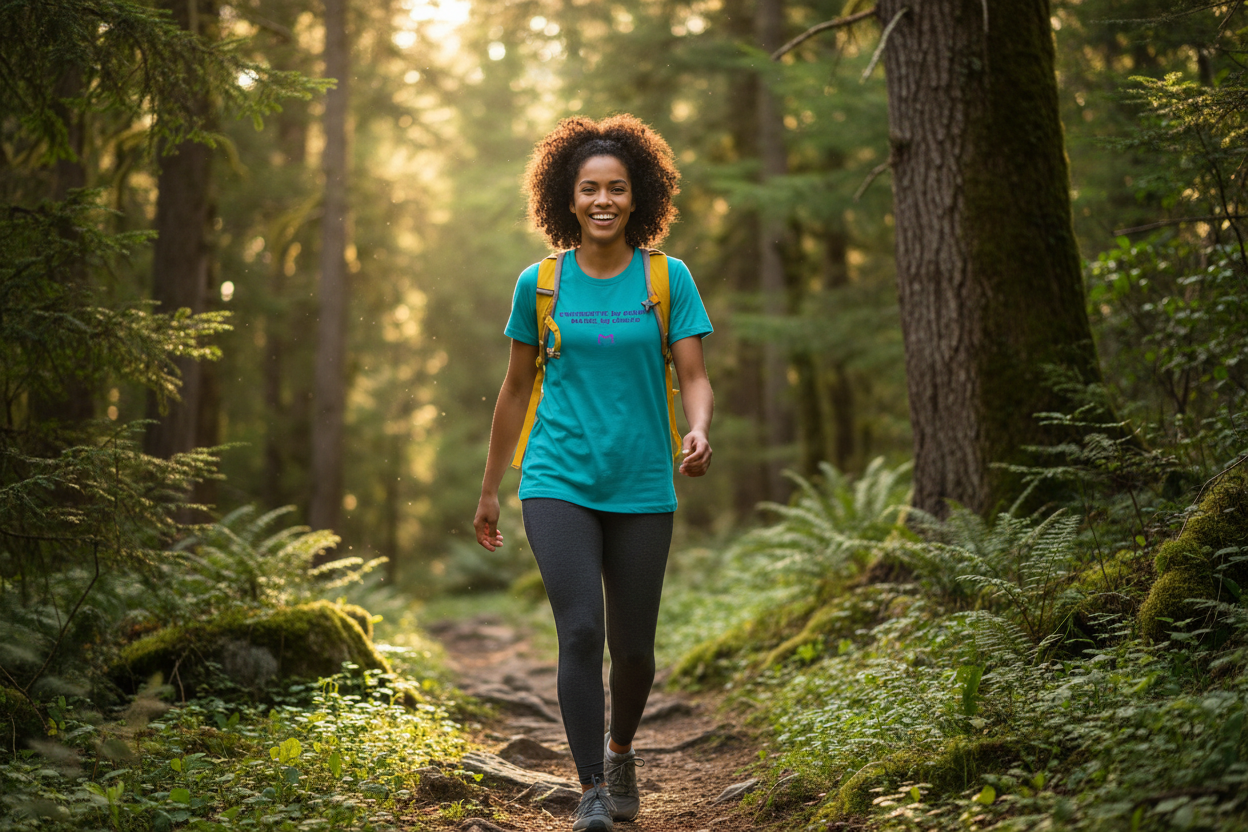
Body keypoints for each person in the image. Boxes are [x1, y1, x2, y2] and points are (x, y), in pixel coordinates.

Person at [472, 114, 714, 832]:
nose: (603, 200)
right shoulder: (540, 284)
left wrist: (698, 427)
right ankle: (590, 791)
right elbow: (515, 390)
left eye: (616, 188)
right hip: (556, 478)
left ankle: (620, 748)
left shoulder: (668, 279)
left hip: (642, 481)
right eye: (588, 189)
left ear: (637, 197)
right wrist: (490, 486)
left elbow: (695, 374)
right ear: (566, 199)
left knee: (633, 650)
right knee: (580, 631)